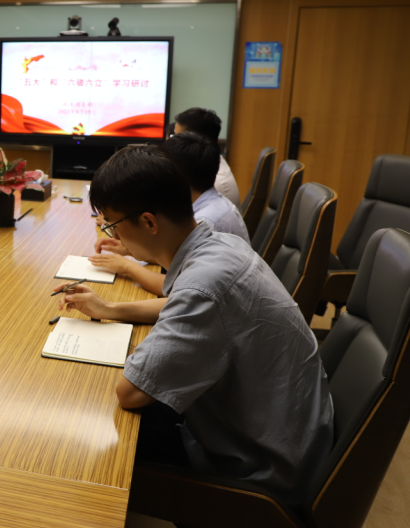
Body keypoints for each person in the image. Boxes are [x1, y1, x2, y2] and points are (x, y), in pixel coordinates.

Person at [57, 144, 333, 507]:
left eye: (112, 224)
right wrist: (109, 308)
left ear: (149, 222)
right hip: (290, 439)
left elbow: (130, 392)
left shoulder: (205, 286)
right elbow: (183, 303)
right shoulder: (221, 246)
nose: (114, 236)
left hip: (260, 473)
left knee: (84, 438)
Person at [90, 132, 249, 295]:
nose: (116, 236)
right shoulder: (212, 230)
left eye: (114, 226)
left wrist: (127, 265)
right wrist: (131, 249)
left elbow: (181, 290)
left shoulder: (209, 222)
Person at [173, 107, 240, 206]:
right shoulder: (207, 164)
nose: (172, 142)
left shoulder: (212, 184)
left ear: (197, 141)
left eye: (177, 137)